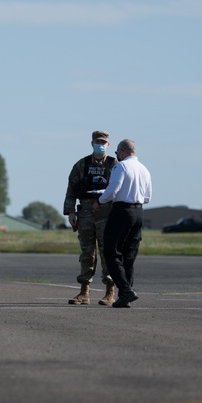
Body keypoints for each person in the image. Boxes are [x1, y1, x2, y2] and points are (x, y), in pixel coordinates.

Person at [62, 130, 117, 306]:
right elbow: (71, 189)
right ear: (92, 143)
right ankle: (84, 292)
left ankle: (110, 291)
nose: (100, 145)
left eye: (103, 142)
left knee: (107, 252)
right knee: (87, 253)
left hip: (107, 214)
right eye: (97, 142)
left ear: (108, 145)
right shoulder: (82, 165)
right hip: (85, 213)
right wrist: (70, 211)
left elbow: (120, 189)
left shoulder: (114, 164)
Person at [98, 139, 152, 308]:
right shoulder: (144, 169)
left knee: (111, 252)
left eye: (117, 153)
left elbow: (113, 190)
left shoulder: (121, 167)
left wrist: (99, 201)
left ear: (121, 151)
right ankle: (125, 294)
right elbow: (148, 197)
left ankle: (125, 290)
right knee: (129, 254)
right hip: (138, 212)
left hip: (122, 211)